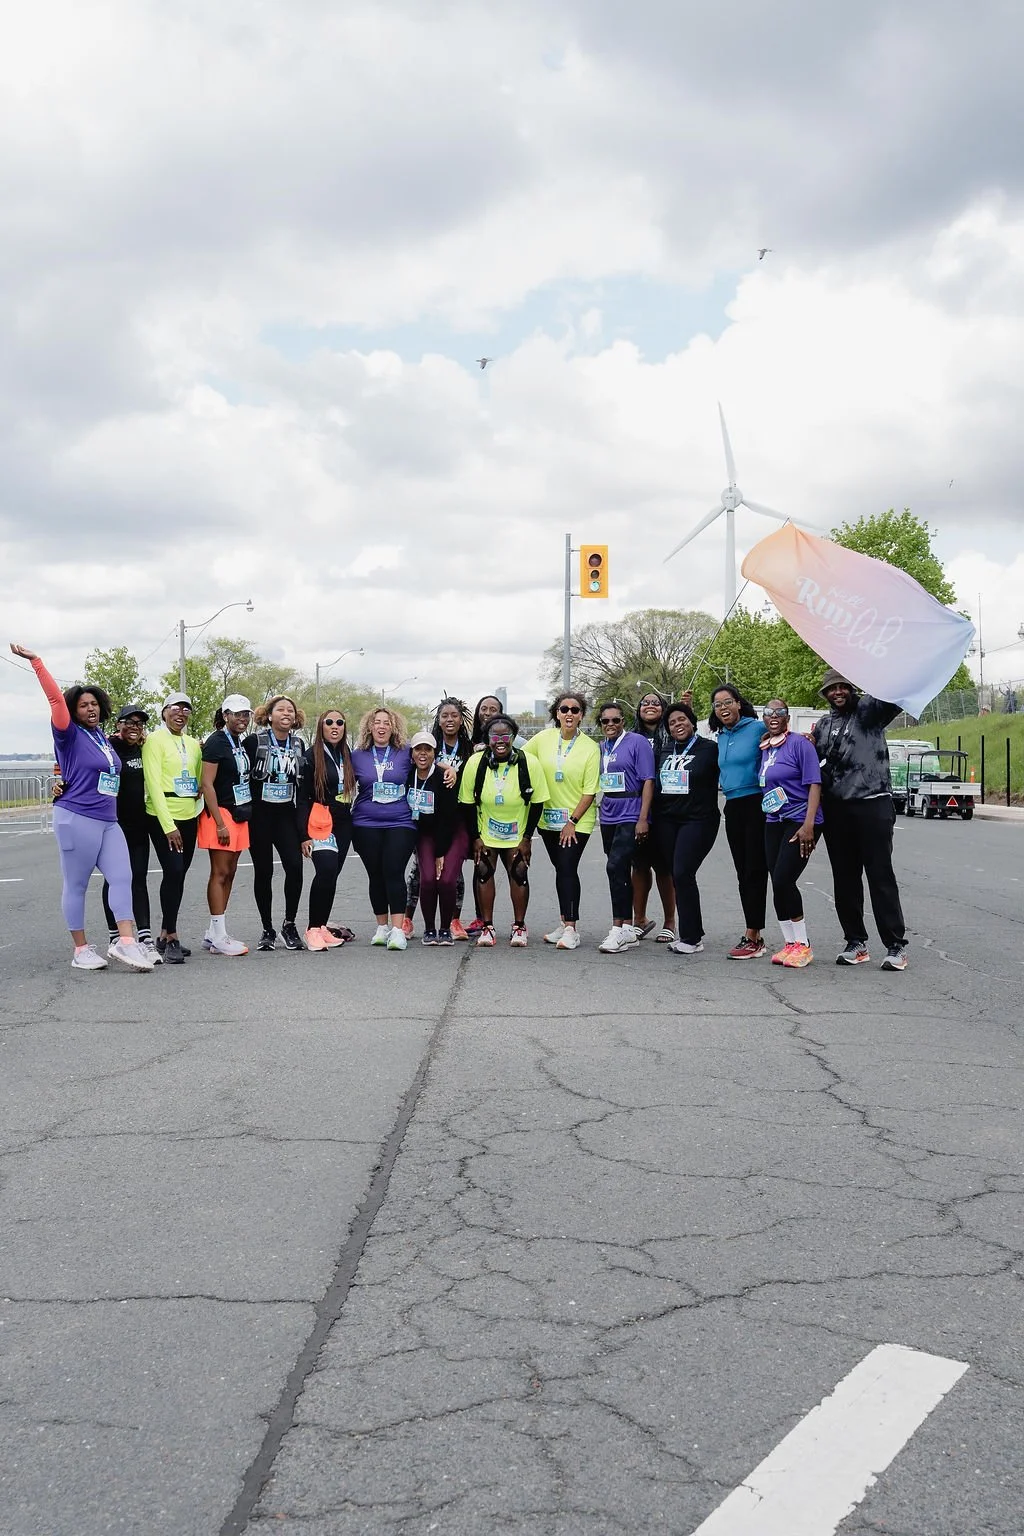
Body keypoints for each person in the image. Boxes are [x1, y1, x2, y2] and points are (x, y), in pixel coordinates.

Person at [11, 643, 154, 971]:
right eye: (83, 705)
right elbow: (55, 701)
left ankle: (126, 943)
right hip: (76, 817)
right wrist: (37, 662)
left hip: (107, 820)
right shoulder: (68, 734)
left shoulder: (102, 737)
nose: (89, 709)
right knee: (77, 884)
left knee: (122, 877)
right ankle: (81, 949)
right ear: (74, 710)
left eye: (94, 704)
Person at [812, 669, 909, 971]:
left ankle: (895, 946)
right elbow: (811, 762)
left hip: (873, 804)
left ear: (852, 689)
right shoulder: (823, 725)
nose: (838, 692)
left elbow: (895, 690)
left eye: (843, 687)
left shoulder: (870, 710)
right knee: (845, 878)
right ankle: (856, 941)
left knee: (880, 876)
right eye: (832, 689)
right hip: (837, 809)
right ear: (825, 694)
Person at [458, 713, 548, 946]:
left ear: (513, 738)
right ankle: (487, 926)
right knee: (483, 872)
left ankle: (519, 926)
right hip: (486, 831)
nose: (500, 741)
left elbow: (537, 802)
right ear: (487, 739)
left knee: (519, 873)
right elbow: (467, 803)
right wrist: (475, 837)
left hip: (517, 833)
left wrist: (528, 837)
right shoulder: (475, 763)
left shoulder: (529, 763)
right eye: (494, 736)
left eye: (506, 736)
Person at [524, 691, 600, 950]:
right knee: (561, 871)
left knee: (567, 868)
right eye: (564, 709)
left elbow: (590, 791)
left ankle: (571, 928)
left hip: (576, 822)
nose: (569, 714)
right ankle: (563, 921)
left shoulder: (590, 747)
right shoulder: (543, 738)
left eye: (575, 710)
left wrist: (573, 821)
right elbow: (521, 759)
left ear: (581, 715)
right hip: (547, 821)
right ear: (556, 713)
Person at [651, 701, 721, 956]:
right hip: (668, 820)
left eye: (682, 720)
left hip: (698, 820)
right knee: (676, 875)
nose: (677, 725)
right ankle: (688, 933)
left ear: (692, 722)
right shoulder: (666, 749)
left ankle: (692, 937)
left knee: (683, 873)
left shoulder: (710, 749)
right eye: (672, 722)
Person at [759, 700, 822, 968]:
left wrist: (808, 825)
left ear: (788, 717)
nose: (774, 716)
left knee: (785, 878)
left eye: (780, 713)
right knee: (776, 881)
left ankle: (804, 944)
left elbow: (814, 784)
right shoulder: (765, 747)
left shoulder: (800, 744)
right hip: (773, 819)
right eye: (769, 713)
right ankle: (790, 944)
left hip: (800, 820)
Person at [402, 696, 472, 939]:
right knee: (421, 873)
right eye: (445, 715)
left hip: (458, 815)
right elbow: (418, 761)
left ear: (461, 720)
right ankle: (409, 920)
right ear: (438, 720)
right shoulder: (431, 745)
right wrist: (445, 767)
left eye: (454, 715)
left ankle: (452, 922)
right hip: (426, 821)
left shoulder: (468, 746)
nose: (450, 719)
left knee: (452, 876)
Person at [142, 691, 203, 964]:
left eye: (186, 709)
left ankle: (165, 934)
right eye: (175, 708)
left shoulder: (192, 743)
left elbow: (199, 781)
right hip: (161, 815)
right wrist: (168, 826)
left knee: (179, 875)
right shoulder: (154, 740)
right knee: (173, 870)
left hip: (189, 815)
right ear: (164, 711)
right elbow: (153, 783)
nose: (181, 713)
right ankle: (172, 936)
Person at [709, 683, 769, 959]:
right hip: (732, 807)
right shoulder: (721, 736)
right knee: (743, 872)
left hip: (756, 804)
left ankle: (753, 935)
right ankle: (753, 932)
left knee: (755, 871)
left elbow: (782, 739)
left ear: (739, 703)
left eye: (727, 702)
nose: (723, 708)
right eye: (717, 705)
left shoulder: (756, 728)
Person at [350, 706, 416, 950]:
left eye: (386, 723)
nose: (381, 726)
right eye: (377, 722)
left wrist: (448, 769)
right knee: (375, 874)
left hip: (400, 821)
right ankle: (382, 927)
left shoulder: (405, 752)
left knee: (393, 870)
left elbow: (428, 761)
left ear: (393, 727)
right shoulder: (358, 755)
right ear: (369, 727)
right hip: (365, 822)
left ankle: (398, 930)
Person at [245, 696, 308, 952]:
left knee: (295, 867)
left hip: (286, 814)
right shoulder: (254, 741)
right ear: (269, 715)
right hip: (259, 814)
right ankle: (267, 928)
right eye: (280, 709)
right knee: (264, 872)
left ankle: (289, 924)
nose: (286, 713)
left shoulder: (298, 743)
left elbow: (301, 785)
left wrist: (304, 828)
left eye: (290, 710)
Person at [595, 701, 655, 954]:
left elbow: (648, 780)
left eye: (615, 720)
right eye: (605, 721)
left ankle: (618, 928)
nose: (611, 725)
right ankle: (629, 927)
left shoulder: (637, 742)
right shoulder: (600, 747)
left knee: (615, 866)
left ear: (623, 721)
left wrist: (643, 818)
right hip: (609, 812)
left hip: (632, 811)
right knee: (619, 869)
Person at [296, 706, 356, 952]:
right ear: (321, 727)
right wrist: (303, 835)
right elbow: (301, 798)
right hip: (320, 820)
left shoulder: (346, 754)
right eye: (329, 722)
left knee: (332, 875)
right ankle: (312, 929)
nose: (335, 726)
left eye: (339, 723)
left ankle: (322, 928)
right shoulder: (312, 755)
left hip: (344, 821)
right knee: (326, 870)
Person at [198, 695, 253, 957]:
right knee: (219, 873)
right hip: (221, 816)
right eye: (237, 714)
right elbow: (206, 783)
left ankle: (213, 932)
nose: (242, 719)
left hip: (239, 812)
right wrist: (219, 822)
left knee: (230, 872)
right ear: (226, 715)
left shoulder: (237, 742)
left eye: (246, 715)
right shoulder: (217, 741)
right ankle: (219, 935)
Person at [101, 705, 157, 962]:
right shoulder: (108, 747)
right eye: (130, 722)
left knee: (139, 878)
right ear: (118, 724)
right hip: (113, 825)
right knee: (114, 880)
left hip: (138, 825)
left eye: (140, 723)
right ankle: (115, 936)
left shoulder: (142, 748)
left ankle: (145, 939)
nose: (135, 727)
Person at [630, 691, 677, 942]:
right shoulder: (630, 737)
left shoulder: (672, 733)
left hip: (665, 807)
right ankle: (640, 919)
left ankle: (670, 922)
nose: (650, 706)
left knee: (664, 866)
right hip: (636, 808)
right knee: (639, 864)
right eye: (645, 702)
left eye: (656, 703)